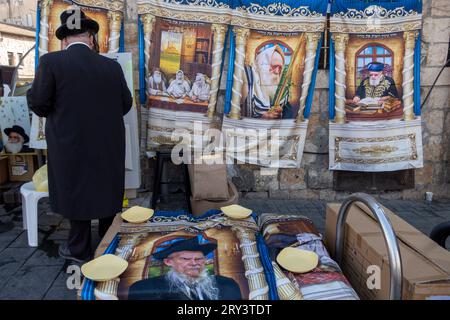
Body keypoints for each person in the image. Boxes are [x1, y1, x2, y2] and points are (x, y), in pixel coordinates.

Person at [26, 8, 132, 263]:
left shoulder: (51, 62)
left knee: (76, 189)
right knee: (105, 187)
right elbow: (125, 104)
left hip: (69, 144)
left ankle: (79, 249)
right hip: (108, 144)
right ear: (91, 38)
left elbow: (39, 103)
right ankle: (108, 245)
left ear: (64, 40)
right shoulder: (111, 67)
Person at [128, 237, 242, 300]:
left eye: (199, 259)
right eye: (185, 259)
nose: (194, 263)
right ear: (168, 262)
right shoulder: (144, 288)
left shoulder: (227, 284)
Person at [243, 45, 293, 119]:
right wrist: (263, 118)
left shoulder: (283, 90)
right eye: (274, 66)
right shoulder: (248, 80)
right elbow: (242, 117)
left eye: (280, 68)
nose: (277, 72)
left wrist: (280, 112)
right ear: (262, 66)